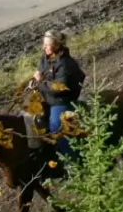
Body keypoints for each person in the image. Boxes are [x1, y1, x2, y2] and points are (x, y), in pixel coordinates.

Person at [34, 29, 86, 161]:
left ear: (57, 45)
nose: (45, 48)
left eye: (48, 45)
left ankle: (72, 160)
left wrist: (40, 82)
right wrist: (34, 82)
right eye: (44, 44)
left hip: (61, 101)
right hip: (46, 98)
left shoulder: (65, 63)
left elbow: (59, 88)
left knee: (56, 126)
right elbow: (40, 74)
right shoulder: (45, 59)